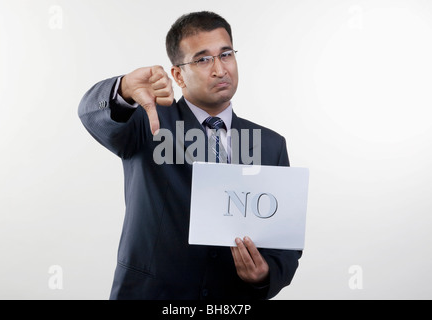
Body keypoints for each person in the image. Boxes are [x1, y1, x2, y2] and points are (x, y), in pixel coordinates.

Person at [78, 11, 301, 300]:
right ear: (178, 75)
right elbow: (91, 115)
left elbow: (284, 244)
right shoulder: (149, 121)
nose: (220, 70)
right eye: (203, 59)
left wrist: (264, 275)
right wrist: (124, 89)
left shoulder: (270, 145)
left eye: (226, 54)